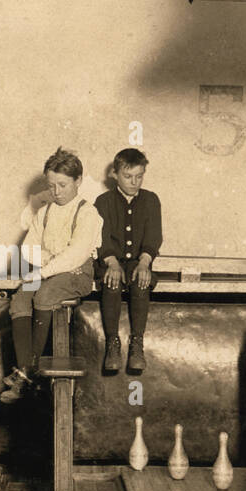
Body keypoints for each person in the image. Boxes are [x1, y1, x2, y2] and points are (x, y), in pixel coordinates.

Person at [0, 147, 103, 403]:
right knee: (21, 298)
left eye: (63, 185)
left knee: (44, 295)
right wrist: (48, 262)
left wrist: (46, 266)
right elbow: (29, 249)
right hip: (52, 271)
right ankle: (24, 374)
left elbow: (76, 254)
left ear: (78, 181)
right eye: (51, 185)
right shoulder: (44, 212)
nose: (56, 192)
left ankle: (29, 372)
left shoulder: (87, 213)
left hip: (76, 275)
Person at [94, 148, 162, 373]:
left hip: (138, 261)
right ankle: (112, 344)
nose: (134, 182)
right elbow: (101, 238)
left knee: (141, 282)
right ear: (114, 174)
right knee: (111, 283)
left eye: (139, 176)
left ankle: (136, 344)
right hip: (110, 260)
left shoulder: (151, 200)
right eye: (128, 176)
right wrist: (111, 263)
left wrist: (145, 263)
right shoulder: (103, 201)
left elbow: (154, 236)